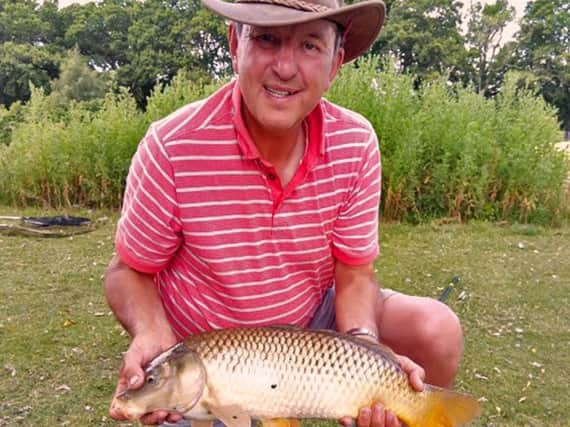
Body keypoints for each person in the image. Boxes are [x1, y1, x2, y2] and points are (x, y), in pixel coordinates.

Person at [105, 0, 464, 425]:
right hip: (210, 353)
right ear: (235, 44)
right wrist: (152, 334)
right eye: (267, 38)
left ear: (335, 65)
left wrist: (366, 349)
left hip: (310, 321)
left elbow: (354, 276)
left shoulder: (355, 142)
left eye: (310, 45)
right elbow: (128, 271)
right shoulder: (172, 146)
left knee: (435, 328)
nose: (286, 68)